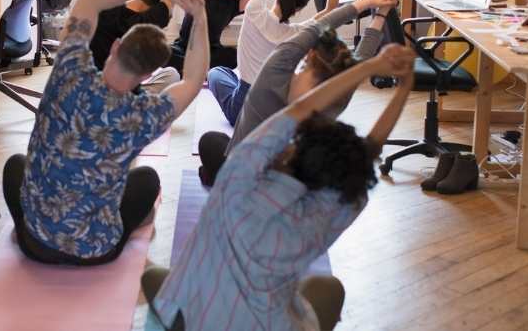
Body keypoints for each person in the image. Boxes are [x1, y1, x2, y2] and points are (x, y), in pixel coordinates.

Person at [140, 43, 416, 331]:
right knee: (328, 289)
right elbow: (369, 151)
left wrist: (371, 66)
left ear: (291, 152)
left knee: (155, 278)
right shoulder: (327, 217)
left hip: (192, 319)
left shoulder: (237, 184)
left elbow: (300, 110)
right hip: (269, 324)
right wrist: (405, 87)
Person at [2, 0, 210, 265]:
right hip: (95, 251)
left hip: (34, 241)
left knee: (16, 164)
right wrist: (199, 17)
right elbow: (193, 79)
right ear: (148, 75)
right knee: (148, 180)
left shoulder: (69, 70)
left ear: (114, 47)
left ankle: (37, 226)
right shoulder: (144, 117)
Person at [198, 0, 399, 187]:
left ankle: (211, 176)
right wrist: (381, 14)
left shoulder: (273, 77)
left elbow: (315, 29)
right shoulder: (336, 98)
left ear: (309, 56)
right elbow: (361, 61)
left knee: (211, 140)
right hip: (282, 186)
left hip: (242, 179)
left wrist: (368, 2)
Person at [208, 0, 341, 126]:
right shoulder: (299, 32)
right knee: (228, 73)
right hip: (274, 105)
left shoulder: (253, 10)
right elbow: (330, 9)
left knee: (215, 72)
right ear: (299, 9)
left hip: (242, 111)